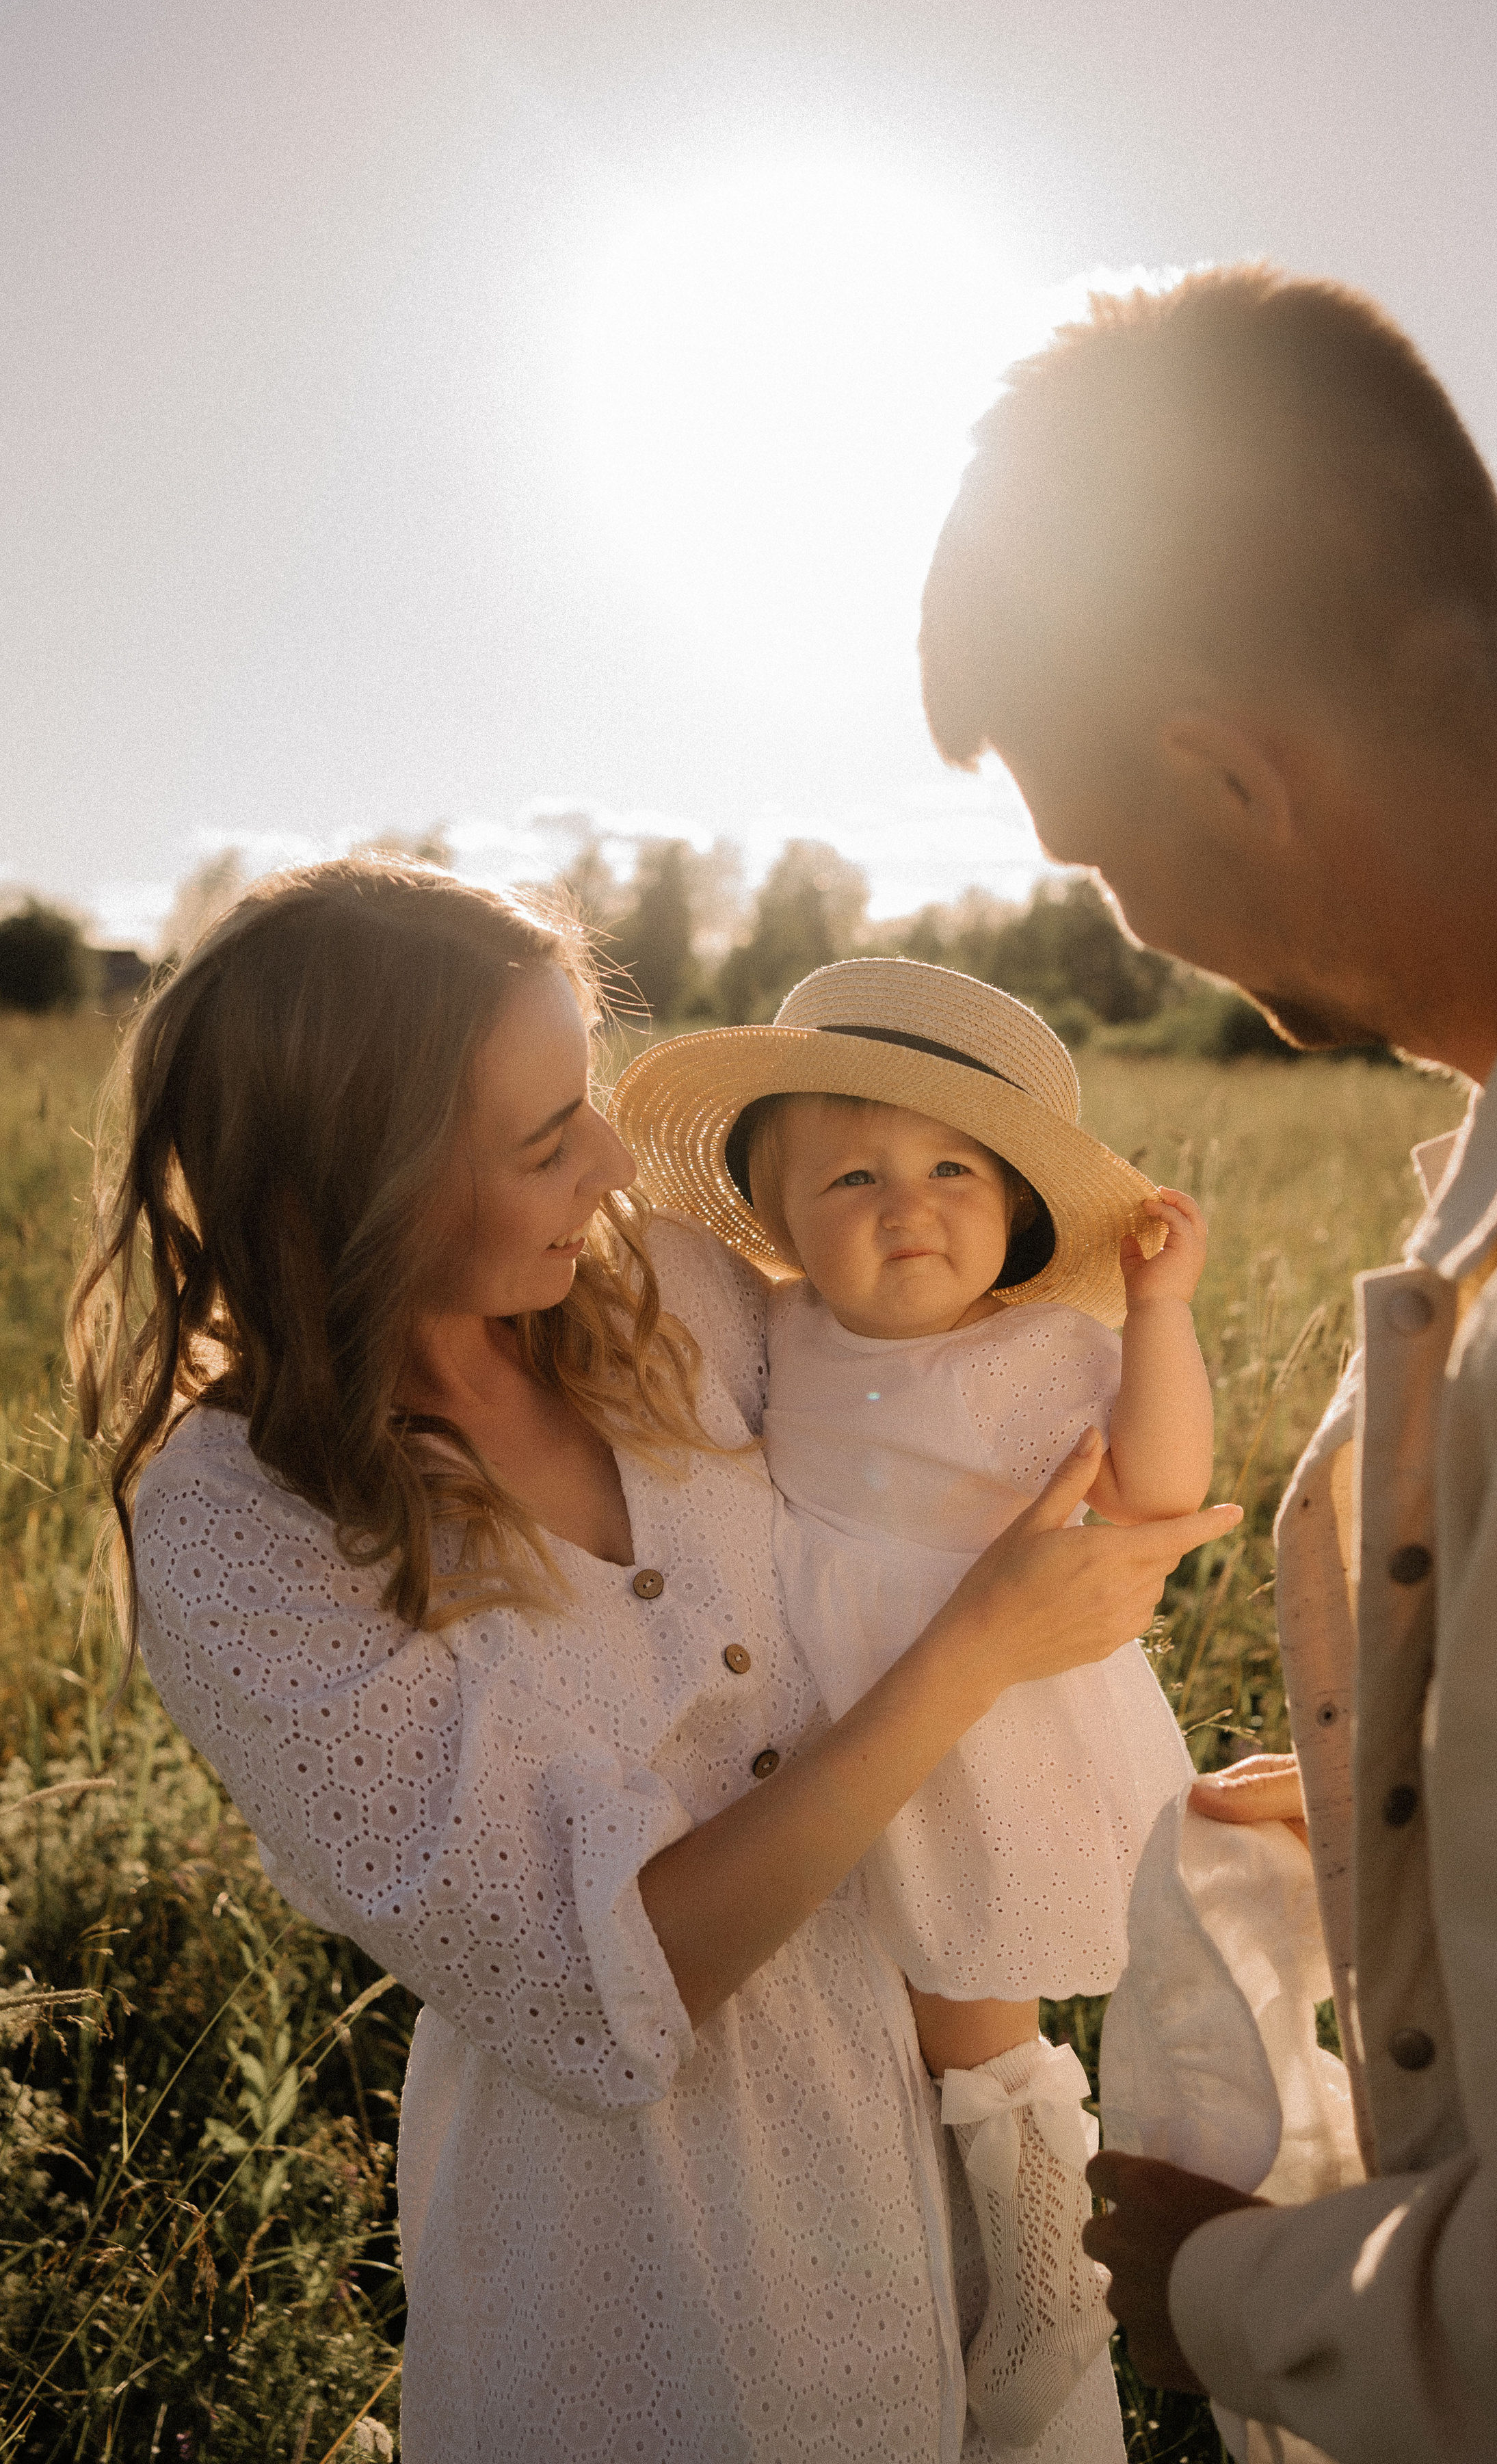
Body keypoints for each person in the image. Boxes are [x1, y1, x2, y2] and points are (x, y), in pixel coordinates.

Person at [67, 861, 1241, 2464]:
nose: (617, 1166)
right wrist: (978, 1651)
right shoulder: (242, 1527)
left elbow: (930, 1466)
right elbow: (588, 1984)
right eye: (549, 1138)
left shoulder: (668, 1293)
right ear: (358, 1180)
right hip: (651, 2258)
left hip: (958, 2131)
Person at [918, 267, 1497, 2460]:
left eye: (1104, 859)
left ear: (1227, 773)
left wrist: (1216, 2292)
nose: (1134, 925)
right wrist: (1454, 1787)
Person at [612, 953, 1273, 2445]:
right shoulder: (777, 1332)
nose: (905, 1206)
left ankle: (1042, 2248)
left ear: (1020, 1210)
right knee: (861, 1985)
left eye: (951, 1170)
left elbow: (1159, 1489)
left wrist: (1162, 1311)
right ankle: (944, 2240)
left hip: (989, 1714)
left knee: (969, 1988)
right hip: (827, 1712)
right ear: (779, 1224)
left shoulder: (1042, 1348)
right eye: (850, 1178)